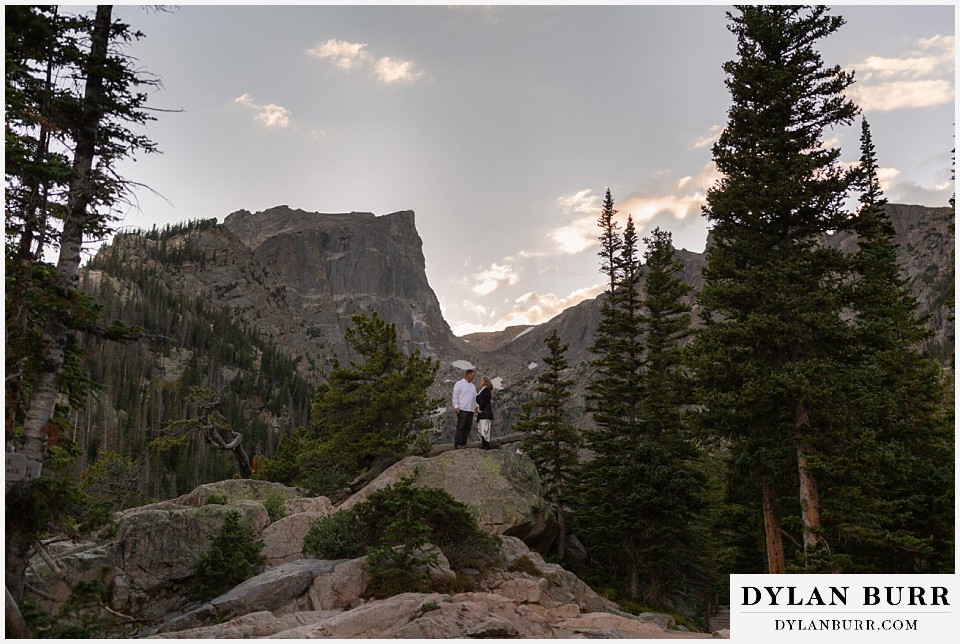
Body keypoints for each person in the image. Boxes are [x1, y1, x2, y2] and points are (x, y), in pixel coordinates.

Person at [451, 369, 478, 449]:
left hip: (470, 409)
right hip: (462, 408)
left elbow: (475, 398)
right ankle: (458, 443)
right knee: (461, 426)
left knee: (467, 427)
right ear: (468, 375)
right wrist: (456, 406)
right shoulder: (459, 384)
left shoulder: (473, 386)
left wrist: (476, 405)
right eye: (473, 375)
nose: (473, 377)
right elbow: (455, 396)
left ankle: (464, 443)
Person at [475, 377, 495, 450]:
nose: (479, 381)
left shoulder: (486, 390)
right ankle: (484, 444)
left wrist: (480, 409)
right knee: (482, 428)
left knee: (485, 429)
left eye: (481, 380)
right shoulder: (483, 390)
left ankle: (486, 445)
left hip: (485, 412)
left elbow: (485, 401)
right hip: (482, 412)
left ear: (485, 381)